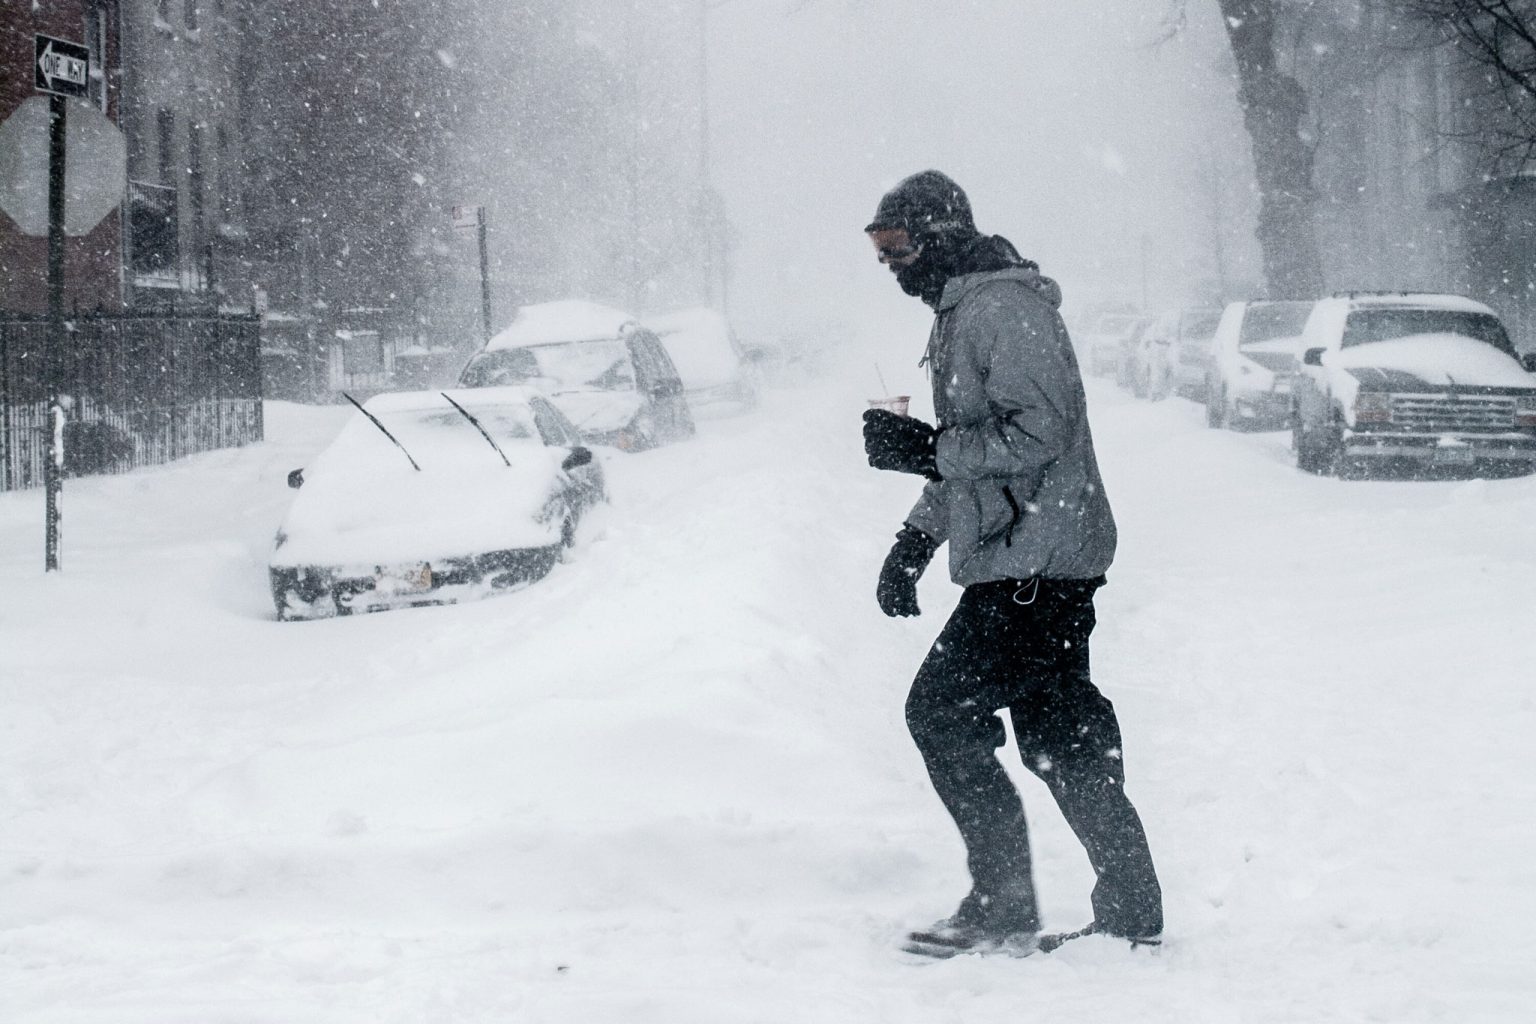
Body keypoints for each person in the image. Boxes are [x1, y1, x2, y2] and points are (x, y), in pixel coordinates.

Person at [860, 170, 1163, 958]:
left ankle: (1003, 903)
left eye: (896, 246)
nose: (889, 263)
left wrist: (927, 449)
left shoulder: (1003, 309)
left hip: (1036, 565)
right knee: (1060, 735)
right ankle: (1130, 909)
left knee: (940, 712)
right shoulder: (964, 312)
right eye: (879, 248)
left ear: (939, 236)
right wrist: (914, 541)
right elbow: (976, 459)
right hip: (1033, 560)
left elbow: (1041, 434)